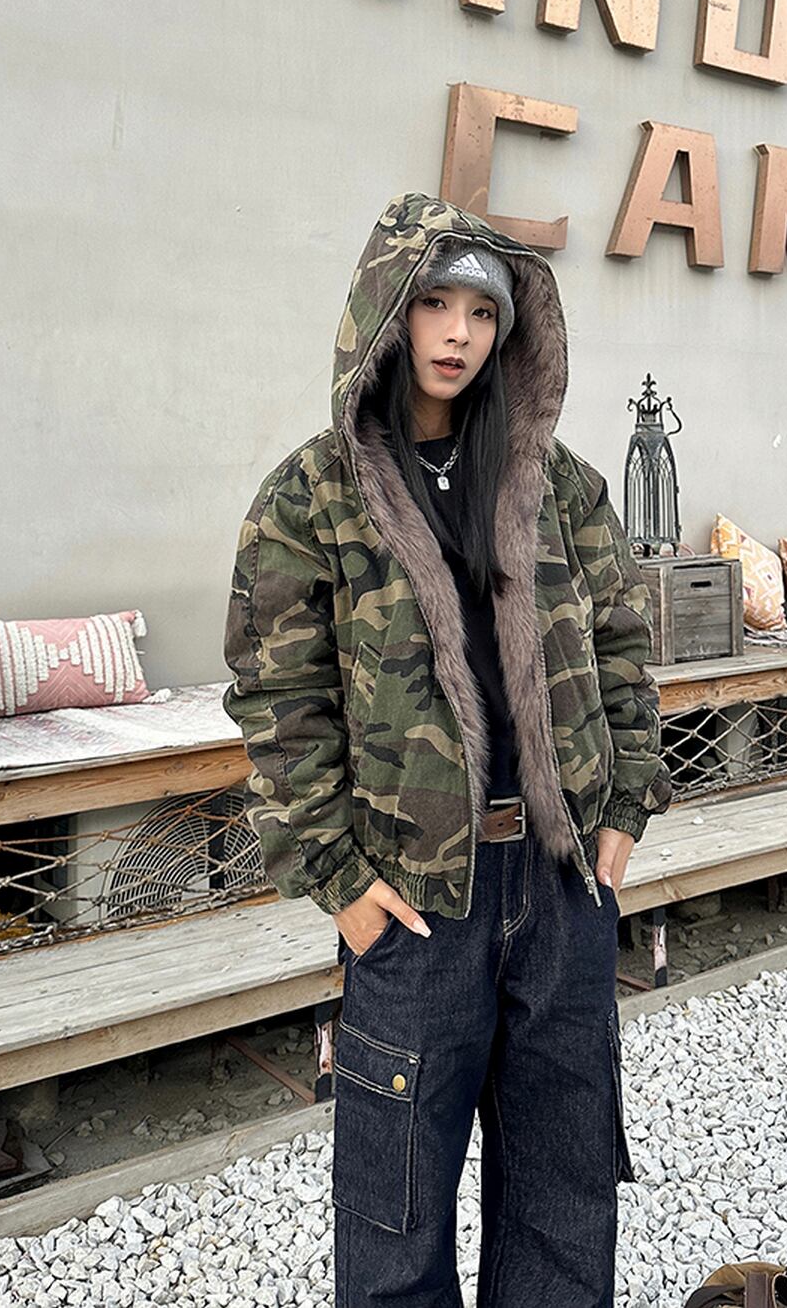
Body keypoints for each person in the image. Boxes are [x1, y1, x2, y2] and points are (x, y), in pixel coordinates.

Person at [221, 190, 676, 1308]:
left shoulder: (559, 485)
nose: (458, 334)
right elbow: (278, 700)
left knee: (565, 1201)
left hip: (560, 885)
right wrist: (342, 886)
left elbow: (623, 643)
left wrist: (621, 814)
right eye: (435, 304)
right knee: (395, 1218)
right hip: (417, 904)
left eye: (482, 311)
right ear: (389, 311)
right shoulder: (312, 497)